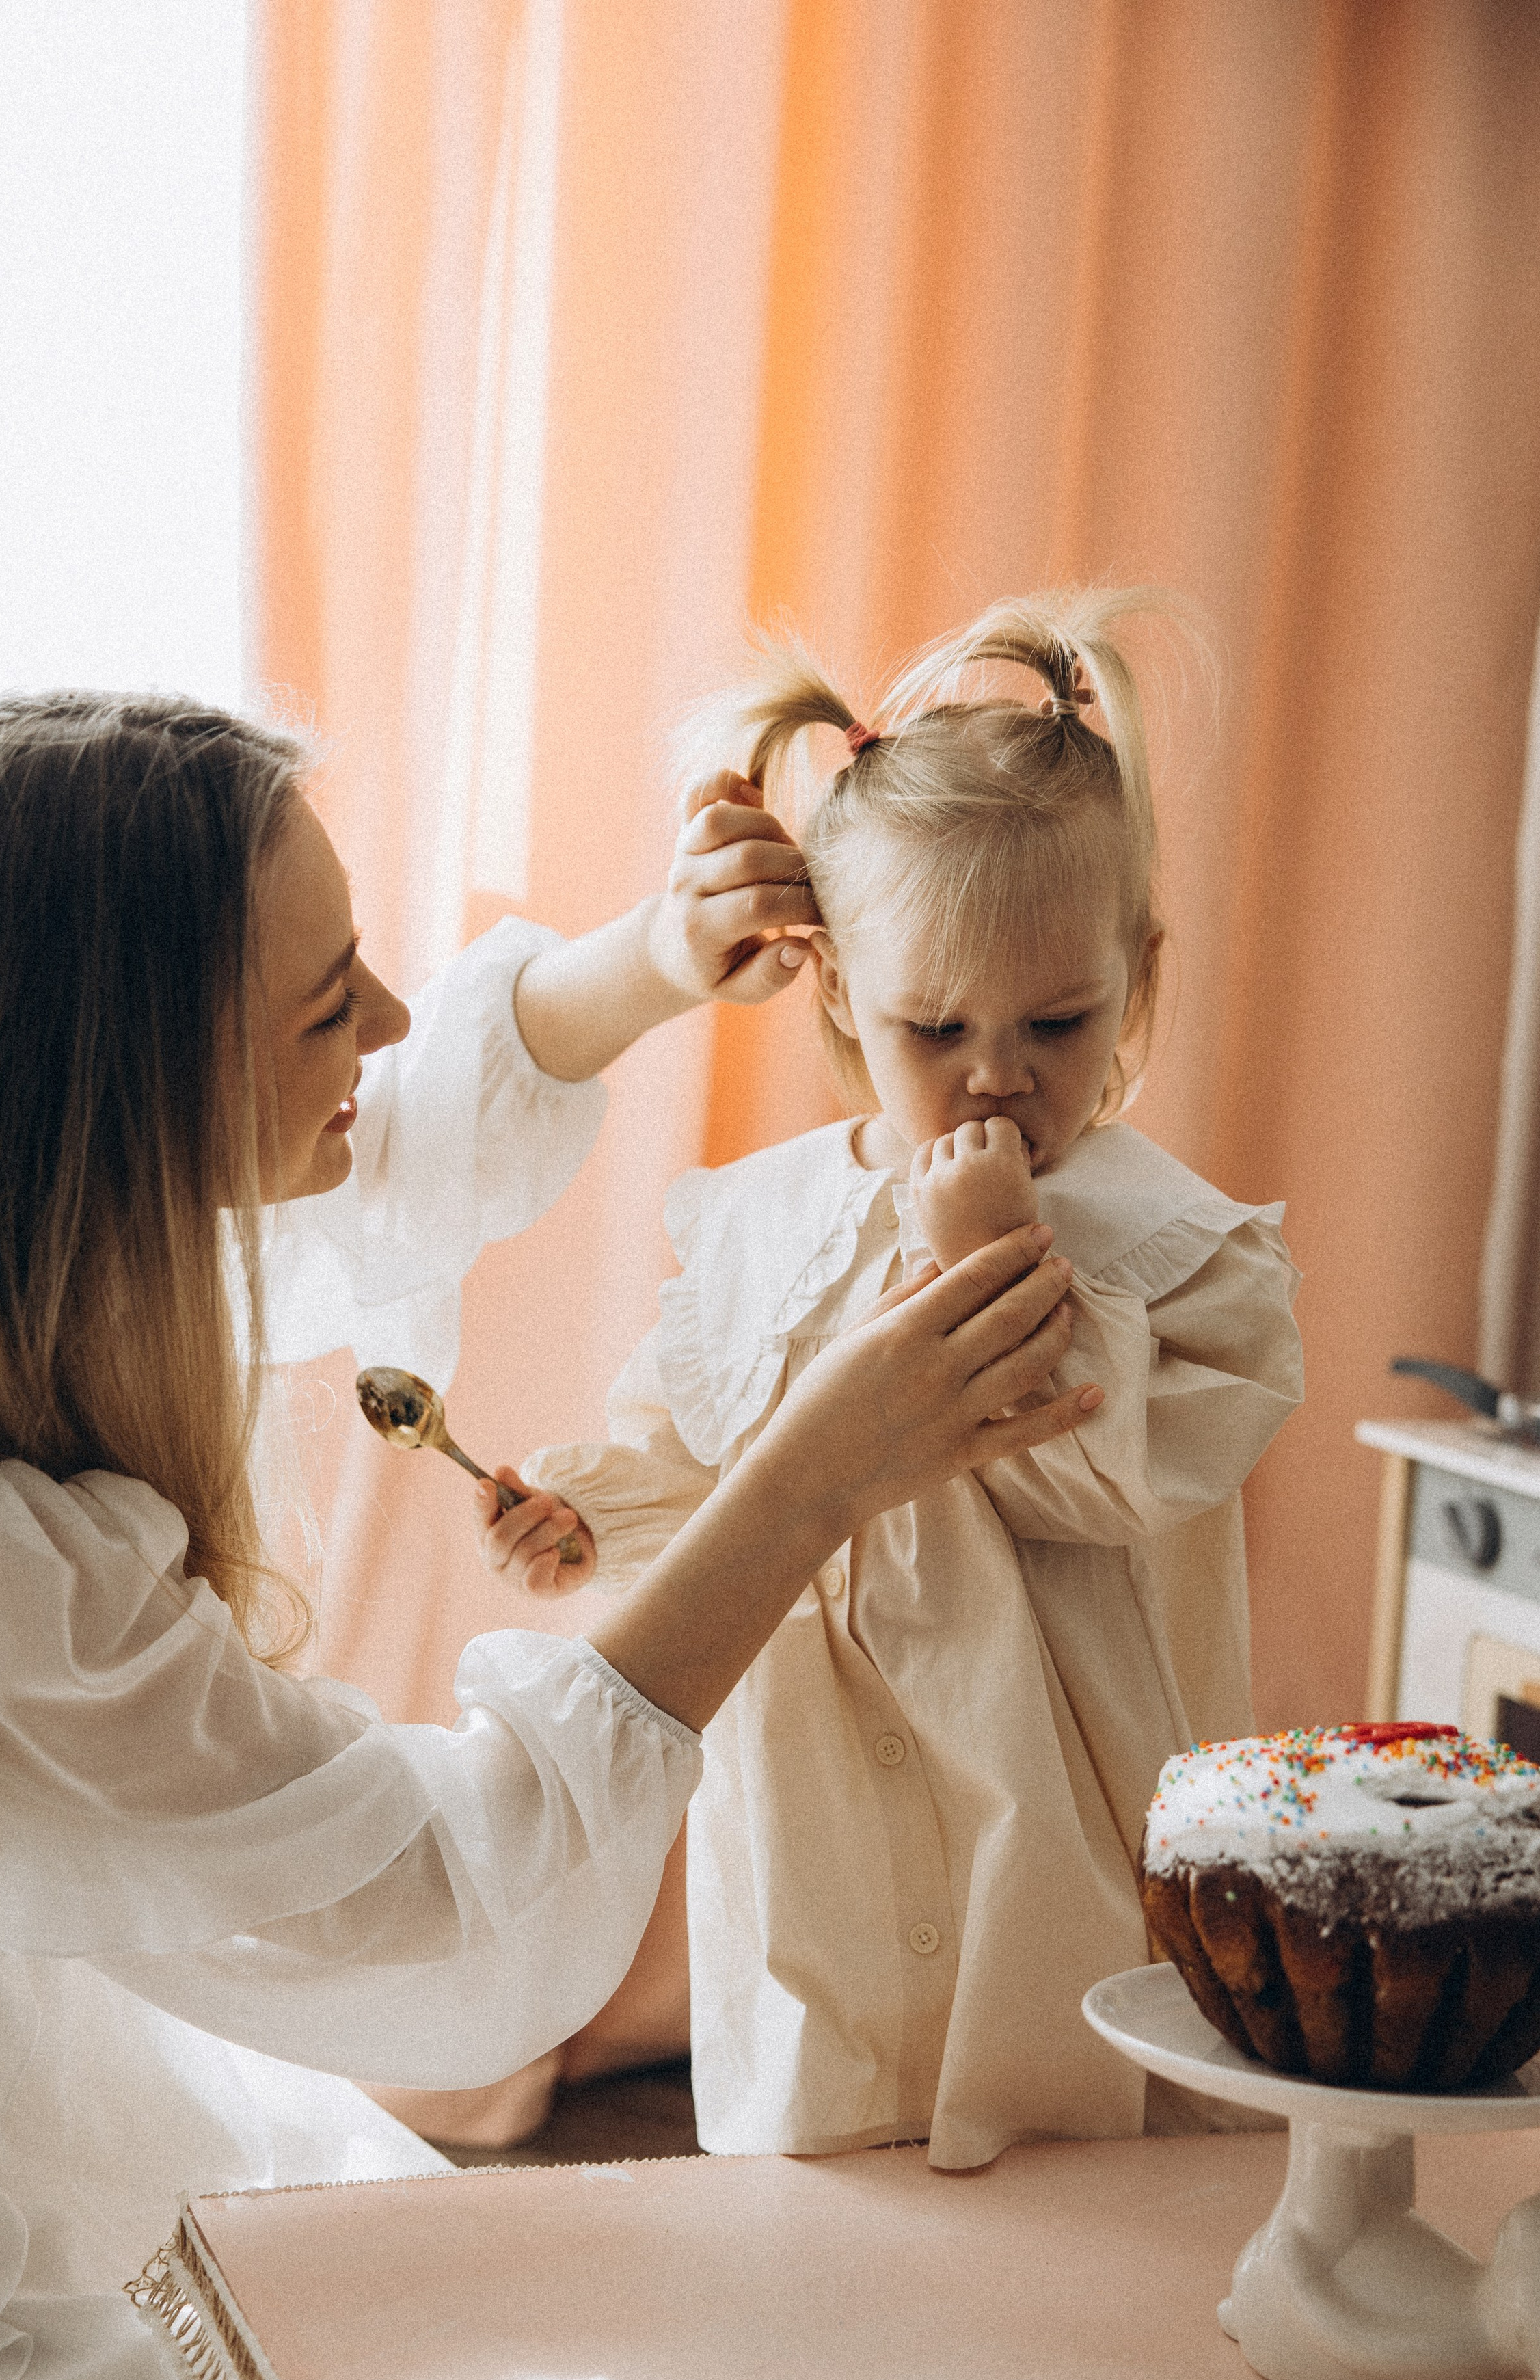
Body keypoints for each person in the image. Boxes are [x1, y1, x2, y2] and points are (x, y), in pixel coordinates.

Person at [0, 691, 1098, 2380]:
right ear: (139, 1081)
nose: (388, 1024)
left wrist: (658, 958)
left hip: (0, 2078)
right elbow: (452, 1911)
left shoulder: (12, 1253)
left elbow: (378, 1147)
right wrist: (810, 1471)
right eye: (330, 1004)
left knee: (461, 2329)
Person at [481, 590, 1306, 2172]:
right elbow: (707, 1460)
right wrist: (584, 1511)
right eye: (936, 1027)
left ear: (1133, 980)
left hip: (1053, 1837)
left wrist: (998, 1256)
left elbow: (1106, 1474)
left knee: (1063, 2168)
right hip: (818, 1839)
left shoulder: (1179, 1254)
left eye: (1056, 1023)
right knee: (825, 2144)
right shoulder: (758, 1225)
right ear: (839, 994)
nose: (999, 1073)